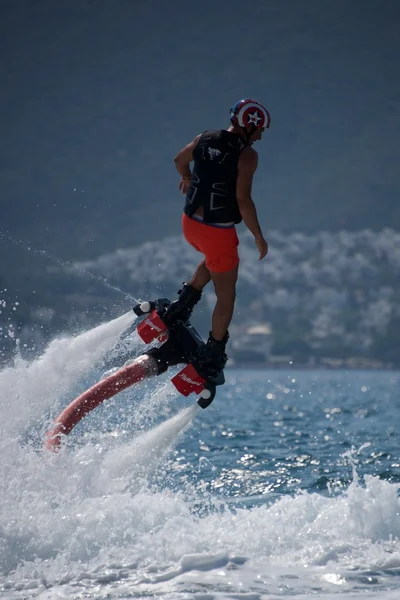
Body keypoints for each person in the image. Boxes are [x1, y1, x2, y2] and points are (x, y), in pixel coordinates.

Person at [163, 98, 270, 380]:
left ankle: (179, 309)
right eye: (259, 131)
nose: (260, 137)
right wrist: (258, 235)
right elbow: (242, 200)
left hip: (189, 224)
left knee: (214, 260)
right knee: (227, 296)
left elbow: (178, 160)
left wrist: (186, 177)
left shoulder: (203, 138)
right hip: (217, 231)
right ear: (249, 127)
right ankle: (213, 352)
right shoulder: (247, 156)